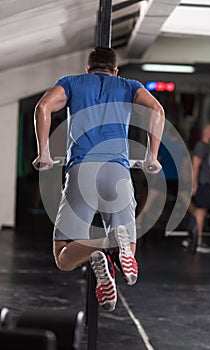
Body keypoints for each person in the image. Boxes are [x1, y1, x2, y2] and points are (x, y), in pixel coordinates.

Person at [32, 46, 165, 311]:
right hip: (117, 174)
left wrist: (43, 153)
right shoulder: (128, 85)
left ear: (88, 69)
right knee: (128, 249)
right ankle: (111, 245)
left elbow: (43, 107)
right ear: (116, 71)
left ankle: (105, 243)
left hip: (82, 171)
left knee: (64, 256)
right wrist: (152, 157)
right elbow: (157, 111)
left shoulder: (72, 83)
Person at [182, 124, 210, 253]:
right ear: (208, 133)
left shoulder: (207, 148)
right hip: (201, 183)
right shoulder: (200, 147)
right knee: (200, 212)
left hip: (206, 183)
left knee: (201, 211)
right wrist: (194, 183)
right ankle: (197, 241)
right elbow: (195, 165)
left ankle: (192, 239)